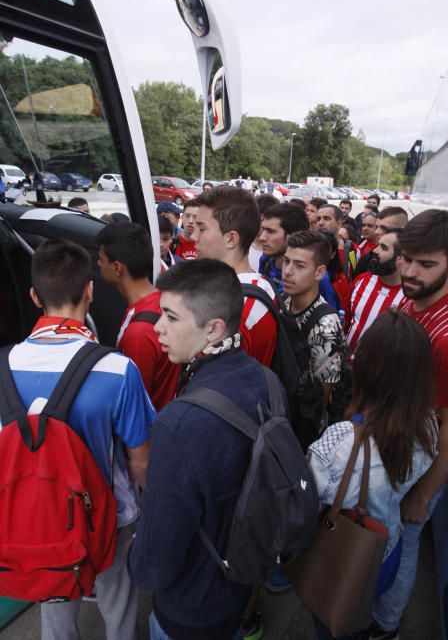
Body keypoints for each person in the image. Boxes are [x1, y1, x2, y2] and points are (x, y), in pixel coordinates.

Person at [4, 238, 154, 640]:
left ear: (35, 296)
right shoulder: (117, 370)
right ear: (90, 289)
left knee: (54, 602)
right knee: (118, 605)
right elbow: (140, 460)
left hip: (40, 514)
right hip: (112, 517)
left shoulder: (4, 366)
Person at [128, 259, 283, 640]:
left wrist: (134, 555)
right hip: (239, 584)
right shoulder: (267, 381)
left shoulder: (179, 423)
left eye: (170, 317)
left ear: (213, 329)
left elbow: (155, 562)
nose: (158, 327)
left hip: (190, 609)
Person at [308, 310, 437, 640]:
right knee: (362, 613)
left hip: (344, 556)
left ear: (366, 370)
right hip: (386, 547)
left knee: (333, 622)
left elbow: (309, 498)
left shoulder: (342, 441)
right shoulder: (429, 428)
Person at [369, 209, 448, 640]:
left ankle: (386, 625)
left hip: (415, 469)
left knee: (404, 541)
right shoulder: (415, 297)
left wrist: (423, 496)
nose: (408, 271)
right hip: (393, 446)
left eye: (426, 264)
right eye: (406, 258)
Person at [96, 222, 180, 411]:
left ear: (118, 268)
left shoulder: (139, 334)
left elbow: (133, 404)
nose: (98, 264)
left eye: (101, 259)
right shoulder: (162, 300)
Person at [192, 186, 277, 366]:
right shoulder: (256, 286)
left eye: (202, 228)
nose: (193, 236)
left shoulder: (239, 307)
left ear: (231, 239)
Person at [282, 231, 345, 421]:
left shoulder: (326, 326)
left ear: (319, 272)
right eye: (287, 261)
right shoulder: (285, 302)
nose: (288, 271)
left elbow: (321, 398)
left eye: (299, 265)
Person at [345, 230, 404, 354]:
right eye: (377, 245)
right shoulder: (361, 280)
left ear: (400, 257)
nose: (375, 251)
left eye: (383, 248)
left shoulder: (408, 298)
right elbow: (345, 318)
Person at [259, 203, 308, 293]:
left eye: (271, 231)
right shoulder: (265, 261)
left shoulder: (312, 276)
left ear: (293, 235)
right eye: (263, 229)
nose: (262, 237)